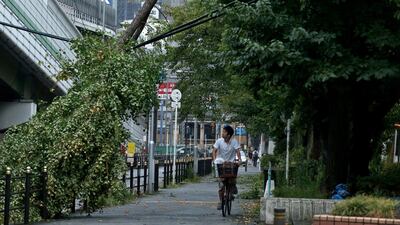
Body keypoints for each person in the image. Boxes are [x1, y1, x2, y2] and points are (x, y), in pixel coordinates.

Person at [212, 125, 241, 210]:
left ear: (228, 135)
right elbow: (214, 150)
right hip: (221, 164)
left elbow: (238, 151)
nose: (222, 133)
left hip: (231, 163)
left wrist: (239, 160)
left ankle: (232, 189)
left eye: (224, 132)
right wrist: (214, 160)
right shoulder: (219, 141)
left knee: (232, 178)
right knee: (221, 185)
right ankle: (221, 201)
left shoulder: (234, 142)